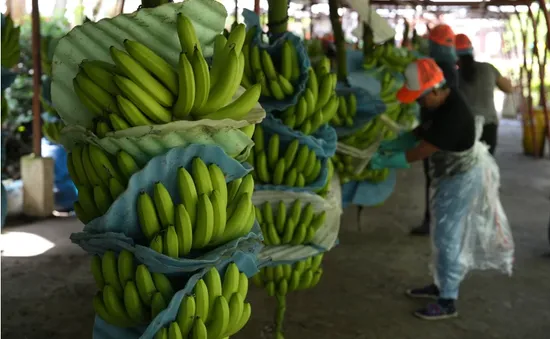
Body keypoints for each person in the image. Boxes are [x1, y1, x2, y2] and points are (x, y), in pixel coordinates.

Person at [370, 58, 480, 320]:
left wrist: (391, 159)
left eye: (420, 98)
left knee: (448, 238)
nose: (418, 103)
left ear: (435, 90)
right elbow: (423, 133)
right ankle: (440, 285)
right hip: (446, 175)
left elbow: (423, 150)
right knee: (441, 237)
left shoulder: (454, 113)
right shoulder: (437, 104)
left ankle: (448, 299)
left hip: (460, 179)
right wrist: (398, 142)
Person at [411, 24, 459, 236]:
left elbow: (432, 106)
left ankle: (434, 221)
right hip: (438, 130)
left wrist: (403, 155)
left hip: (438, 133)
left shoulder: (438, 70)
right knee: (438, 179)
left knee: (436, 179)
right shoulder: (450, 66)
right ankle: (437, 220)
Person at [455, 33, 514, 155]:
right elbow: (508, 89)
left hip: (465, 127)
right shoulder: (488, 68)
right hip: (489, 125)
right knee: (487, 165)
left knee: (465, 165)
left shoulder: (454, 75)